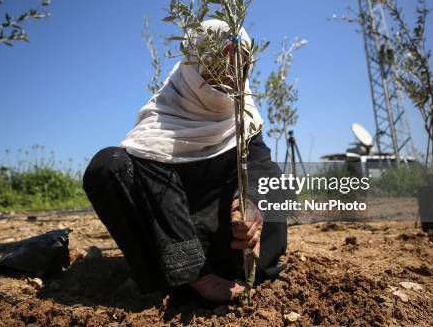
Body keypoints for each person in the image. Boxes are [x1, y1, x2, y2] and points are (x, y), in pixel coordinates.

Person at [83, 20, 287, 303]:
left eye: (238, 67)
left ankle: (228, 271)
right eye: (218, 66)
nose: (230, 79)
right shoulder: (162, 120)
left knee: (273, 180)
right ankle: (180, 280)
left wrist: (248, 204)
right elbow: (160, 195)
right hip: (173, 233)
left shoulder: (244, 111)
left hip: (223, 230)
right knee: (108, 166)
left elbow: (259, 164)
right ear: (194, 68)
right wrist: (200, 276)